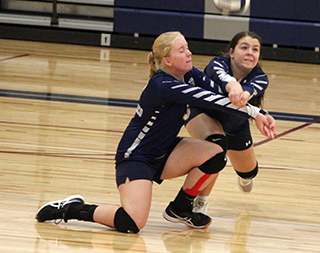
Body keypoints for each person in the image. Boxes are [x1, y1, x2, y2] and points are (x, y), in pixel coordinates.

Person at [35, 31, 275, 233]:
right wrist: (256, 114)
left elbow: (220, 94)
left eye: (187, 48)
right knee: (131, 223)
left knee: (215, 153)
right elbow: (211, 99)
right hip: (137, 157)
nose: (189, 53)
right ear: (167, 60)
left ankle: (181, 207)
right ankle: (72, 208)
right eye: (181, 50)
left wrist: (257, 111)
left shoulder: (190, 75)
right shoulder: (163, 84)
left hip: (166, 152)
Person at [185, 31, 276, 214]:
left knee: (248, 172)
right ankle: (199, 203)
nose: (250, 52)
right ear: (232, 52)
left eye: (255, 49)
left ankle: (245, 177)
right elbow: (225, 80)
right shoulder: (217, 64)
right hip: (202, 114)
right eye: (244, 47)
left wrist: (250, 104)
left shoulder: (260, 77)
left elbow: (248, 92)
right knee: (215, 149)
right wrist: (234, 87)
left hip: (235, 125)